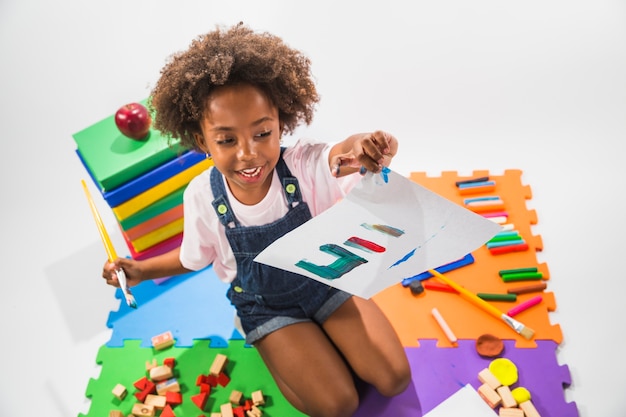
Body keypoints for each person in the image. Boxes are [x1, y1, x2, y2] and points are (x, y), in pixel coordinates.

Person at [102, 23, 411, 417]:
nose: (249, 154)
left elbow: (343, 153)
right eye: (227, 140)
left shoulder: (302, 164)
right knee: (338, 405)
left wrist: (367, 145)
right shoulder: (202, 195)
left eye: (262, 133)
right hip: (265, 305)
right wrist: (140, 270)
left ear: (281, 122)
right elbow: (194, 257)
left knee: (394, 378)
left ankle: (316, 341)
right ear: (202, 140)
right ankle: (269, 340)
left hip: (325, 283)